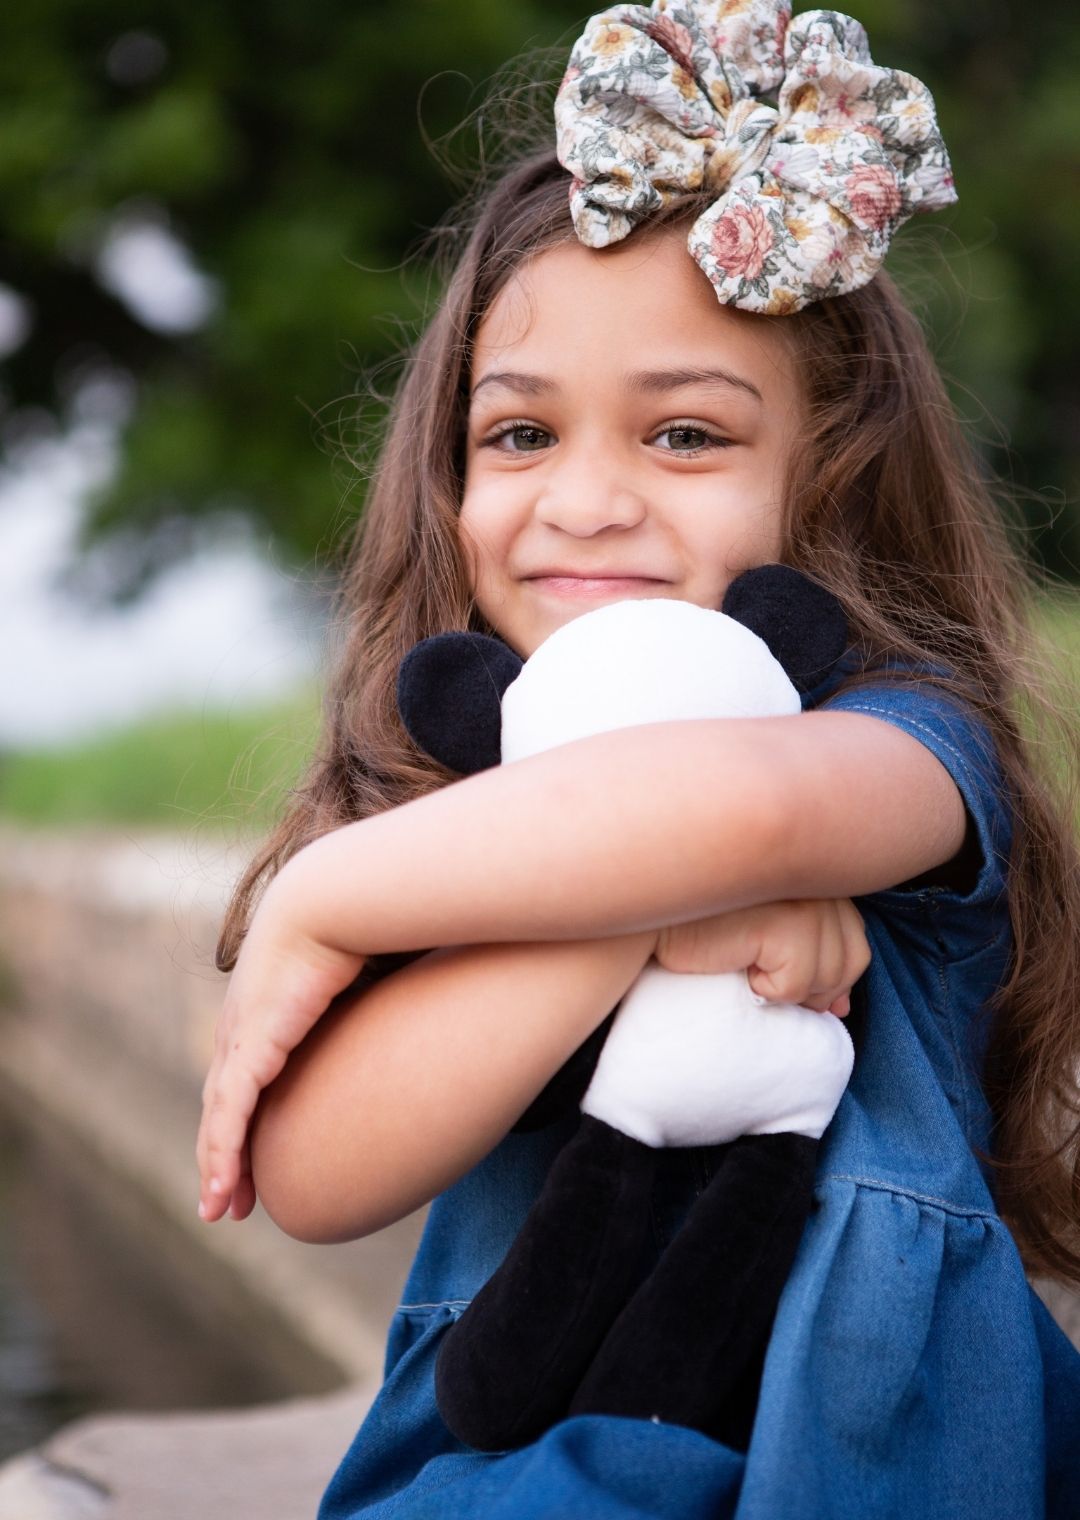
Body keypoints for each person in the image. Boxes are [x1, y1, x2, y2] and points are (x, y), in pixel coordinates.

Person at [197, 3, 1080, 1516]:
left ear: (835, 483)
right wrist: (652, 928)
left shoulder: (902, 749)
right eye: (522, 436)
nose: (587, 503)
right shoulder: (467, 807)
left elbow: (734, 810)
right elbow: (316, 1176)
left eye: (684, 437)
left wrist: (329, 897)